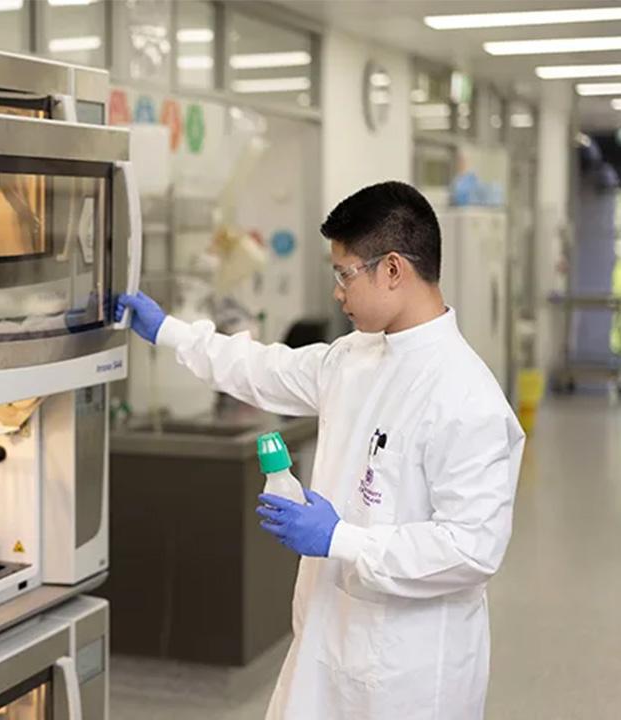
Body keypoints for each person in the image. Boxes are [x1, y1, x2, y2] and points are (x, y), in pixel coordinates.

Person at [114, 181, 525, 720]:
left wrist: (342, 538)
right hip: (327, 649)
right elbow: (263, 369)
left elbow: (472, 548)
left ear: (393, 270)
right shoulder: (354, 358)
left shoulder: (467, 398)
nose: (338, 292)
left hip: (411, 674)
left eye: (345, 273)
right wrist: (170, 332)